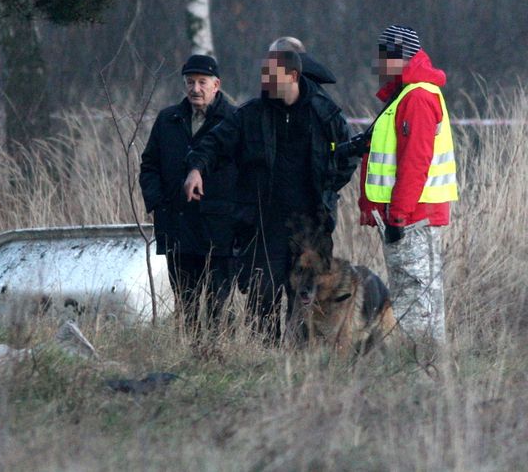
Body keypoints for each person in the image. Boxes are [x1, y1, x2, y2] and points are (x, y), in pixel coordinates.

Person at [184, 45, 357, 340]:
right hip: (262, 223)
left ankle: (301, 361)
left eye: (271, 75)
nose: (265, 80)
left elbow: (348, 154)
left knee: (307, 296)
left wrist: (328, 188)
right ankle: (264, 358)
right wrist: (196, 169)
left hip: (311, 223)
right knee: (260, 295)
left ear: (292, 75)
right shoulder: (251, 115)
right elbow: (213, 144)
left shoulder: (325, 114)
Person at [357, 25, 457, 343]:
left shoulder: (417, 97)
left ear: (400, 57)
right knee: (410, 297)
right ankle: (419, 372)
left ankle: (421, 370)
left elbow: (415, 163)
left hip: (413, 217)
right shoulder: (407, 94)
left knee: (417, 300)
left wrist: (398, 214)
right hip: (406, 216)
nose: (379, 64)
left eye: (383, 56)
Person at [139, 54, 237, 334]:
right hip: (177, 226)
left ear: (216, 85)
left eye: (202, 82)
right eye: (190, 82)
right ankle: (194, 352)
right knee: (187, 301)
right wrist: (159, 202)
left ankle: (218, 352)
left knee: (218, 301)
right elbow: (149, 165)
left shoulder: (233, 120)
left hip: (219, 229)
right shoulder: (168, 119)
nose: (195, 89)